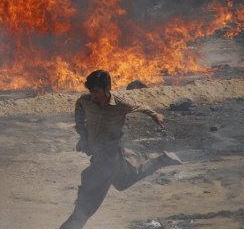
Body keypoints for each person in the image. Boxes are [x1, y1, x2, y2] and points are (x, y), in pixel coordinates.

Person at [60, 69, 183, 229]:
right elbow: (79, 110)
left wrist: (156, 115)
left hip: (110, 155)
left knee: (86, 203)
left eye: (96, 91)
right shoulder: (85, 101)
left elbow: (141, 106)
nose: (93, 95)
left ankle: (71, 225)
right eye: (91, 91)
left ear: (106, 88)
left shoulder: (120, 105)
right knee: (122, 183)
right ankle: (162, 160)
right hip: (100, 153)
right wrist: (83, 135)